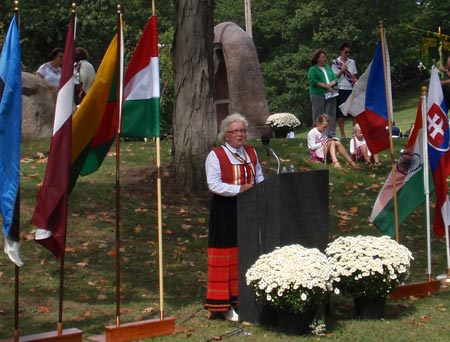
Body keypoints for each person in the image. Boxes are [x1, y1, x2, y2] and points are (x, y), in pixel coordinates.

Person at [204, 113, 264, 321]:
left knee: (246, 252)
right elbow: (214, 184)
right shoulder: (216, 155)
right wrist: (239, 189)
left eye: (242, 130)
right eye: (235, 131)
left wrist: (259, 190)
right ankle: (223, 304)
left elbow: (259, 177)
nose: (240, 135)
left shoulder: (251, 152)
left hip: (248, 208)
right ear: (226, 135)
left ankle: (245, 299)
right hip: (226, 210)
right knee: (226, 254)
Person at [308, 49, 339, 137]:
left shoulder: (328, 68)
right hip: (317, 94)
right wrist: (325, 86)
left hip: (331, 94)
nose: (325, 59)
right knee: (318, 114)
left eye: (325, 57)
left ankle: (331, 134)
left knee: (331, 114)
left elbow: (335, 79)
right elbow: (313, 81)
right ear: (318, 59)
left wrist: (331, 85)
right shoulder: (313, 69)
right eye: (323, 57)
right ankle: (317, 134)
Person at [332, 42, 358, 138]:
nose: (347, 54)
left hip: (351, 89)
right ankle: (343, 134)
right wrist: (342, 70)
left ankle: (355, 133)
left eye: (349, 52)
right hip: (340, 88)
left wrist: (357, 82)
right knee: (341, 114)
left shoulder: (352, 62)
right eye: (346, 52)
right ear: (341, 52)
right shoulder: (335, 63)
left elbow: (354, 76)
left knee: (353, 113)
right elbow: (334, 77)